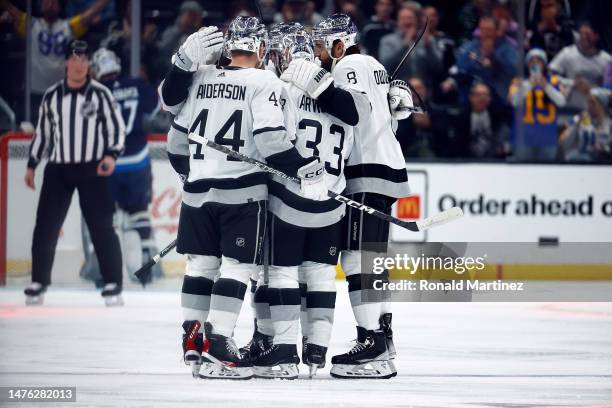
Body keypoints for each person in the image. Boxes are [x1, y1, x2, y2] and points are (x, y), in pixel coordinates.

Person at [159, 17, 328, 380]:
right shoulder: (264, 80)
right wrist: (306, 168)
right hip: (241, 194)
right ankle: (218, 345)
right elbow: (270, 141)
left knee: (200, 266)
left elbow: (175, 142)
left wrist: (192, 174)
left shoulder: (201, 77)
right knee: (235, 268)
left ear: (228, 48)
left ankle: (193, 343)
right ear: (262, 50)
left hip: (197, 194)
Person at [249, 26, 369, 378]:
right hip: (332, 199)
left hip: (290, 197)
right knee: (320, 275)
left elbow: (272, 142)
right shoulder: (337, 91)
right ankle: (316, 352)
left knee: (282, 273)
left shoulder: (280, 88)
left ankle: (284, 352)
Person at [313, 13, 414, 379]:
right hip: (385, 167)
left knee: (357, 260)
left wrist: (318, 87)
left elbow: (355, 112)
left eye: (326, 46)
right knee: (371, 259)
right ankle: (382, 339)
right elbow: (386, 113)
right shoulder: (373, 64)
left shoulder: (349, 65)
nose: (322, 53)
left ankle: (371, 342)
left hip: (366, 170)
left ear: (341, 43)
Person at [23, 40, 125, 306]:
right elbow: (43, 133)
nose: (79, 64)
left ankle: (113, 283)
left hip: (93, 167)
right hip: (59, 169)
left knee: (102, 227)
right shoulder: (52, 96)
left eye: (84, 59)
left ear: (89, 63)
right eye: (75, 58)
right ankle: (38, 281)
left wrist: (111, 155)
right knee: (45, 226)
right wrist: (32, 164)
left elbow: (116, 129)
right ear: (66, 62)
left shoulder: (101, 94)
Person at [78, 48, 162, 285]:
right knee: (139, 210)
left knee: (105, 215)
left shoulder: (93, 93)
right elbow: (157, 107)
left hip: (109, 163)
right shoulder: (136, 84)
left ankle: (100, 265)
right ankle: (147, 260)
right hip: (137, 160)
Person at [1, 0, 111, 122]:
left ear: (60, 7)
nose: (50, 4)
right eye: (46, 2)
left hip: (60, 92)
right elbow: (12, 10)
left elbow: (90, 14)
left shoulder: (68, 27)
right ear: (40, 6)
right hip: (34, 93)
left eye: (54, 2)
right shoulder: (31, 25)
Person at [509, 48, 566, 161]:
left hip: (547, 137)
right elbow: (515, 102)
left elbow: (562, 102)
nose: (535, 63)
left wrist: (546, 86)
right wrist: (529, 84)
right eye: (532, 61)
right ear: (527, 64)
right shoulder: (518, 81)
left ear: (544, 64)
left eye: (538, 60)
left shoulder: (554, 81)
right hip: (524, 137)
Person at [453, 16, 518, 106]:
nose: (486, 33)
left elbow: (514, 69)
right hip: (472, 94)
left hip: (498, 95)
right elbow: (460, 66)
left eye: (489, 29)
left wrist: (494, 57)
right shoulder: (472, 47)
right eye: (483, 29)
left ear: (496, 31)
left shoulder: (506, 48)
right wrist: (476, 61)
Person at [379, 5, 444, 93]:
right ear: (397, 22)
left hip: (424, 92)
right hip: (397, 91)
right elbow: (385, 65)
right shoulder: (387, 41)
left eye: (410, 18)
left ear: (416, 21)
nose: (407, 21)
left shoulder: (426, 39)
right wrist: (404, 45)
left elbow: (438, 67)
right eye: (403, 18)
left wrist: (429, 46)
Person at [549, 22, 612, 111]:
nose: (584, 38)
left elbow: (609, 91)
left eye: (588, 35)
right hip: (569, 109)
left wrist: (594, 89)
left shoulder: (607, 60)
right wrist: (572, 84)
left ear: (596, 36)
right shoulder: (567, 53)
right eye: (582, 34)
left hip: (596, 111)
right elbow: (551, 76)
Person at [451, 81, 510, 159]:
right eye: (478, 95)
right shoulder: (461, 118)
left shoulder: (498, 116)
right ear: (471, 97)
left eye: (486, 95)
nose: (482, 98)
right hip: (467, 161)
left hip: (494, 161)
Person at [561, 87, 612, 162]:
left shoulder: (609, 123)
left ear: (602, 106)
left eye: (593, 103)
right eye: (588, 102)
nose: (589, 106)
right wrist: (576, 125)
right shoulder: (577, 119)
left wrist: (603, 147)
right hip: (580, 161)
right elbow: (564, 143)